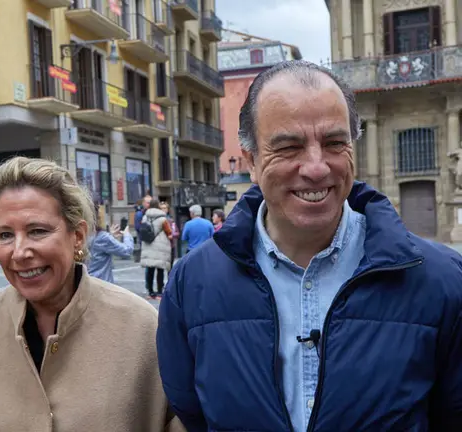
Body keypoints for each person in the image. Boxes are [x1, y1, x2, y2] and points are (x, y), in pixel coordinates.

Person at [157, 60, 462, 431]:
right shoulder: (191, 284)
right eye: (289, 147)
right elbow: (193, 413)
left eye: (335, 143)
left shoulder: (444, 282)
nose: (316, 167)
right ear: (251, 160)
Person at [0, 157, 184, 432]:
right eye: (5, 235)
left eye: (37, 231)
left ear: (78, 236)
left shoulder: (142, 329)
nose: (19, 252)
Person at [87, 211, 134, 284]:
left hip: (86, 281)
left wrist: (110, 236)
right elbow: (126, 251)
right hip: (101, 283)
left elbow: (91, 252)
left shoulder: (82, 234)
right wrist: (127, 235)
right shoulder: (102, 237)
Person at [140, 200, 173, 299]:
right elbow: (169, 232)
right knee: (160, 270)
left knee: (150, 269)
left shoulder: (145, 217)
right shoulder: (163, 219)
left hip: (148, 245)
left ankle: (150, 292)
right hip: (160, 246)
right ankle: (159, 292)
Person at [160, 202, 179, 275]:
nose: (163, 210)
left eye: (165, 208)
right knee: (160, 268)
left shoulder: (171, 220)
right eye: (161, 208)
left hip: (170, 246)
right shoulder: (158, 220)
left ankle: (170, 284)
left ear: (167, 209)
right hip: (161, 247)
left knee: (170, 267)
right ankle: (160, 286)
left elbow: (177, 232)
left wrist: (172, 235)